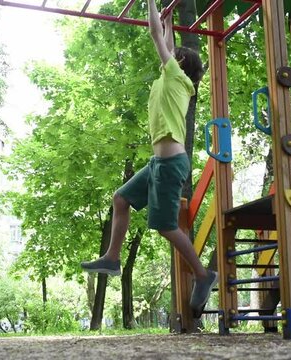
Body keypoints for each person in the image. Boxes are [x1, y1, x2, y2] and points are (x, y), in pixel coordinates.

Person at [81, 0, 216, 317]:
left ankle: (202, 274)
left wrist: (152, 5)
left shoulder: (178, 81)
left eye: (175, 54)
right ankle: (113, 258)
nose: (169, 54)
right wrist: (169, 21)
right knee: (121, 199)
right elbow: (165, 38)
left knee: (165, 226)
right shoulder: (173, 78)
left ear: (179, 63)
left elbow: (156, 37)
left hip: (171, 165)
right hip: (158, 163)